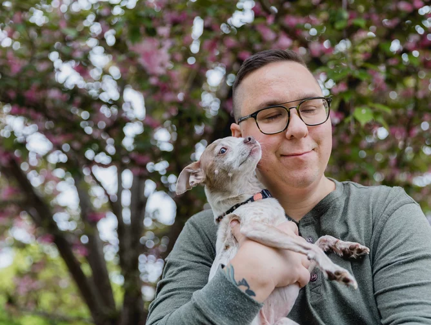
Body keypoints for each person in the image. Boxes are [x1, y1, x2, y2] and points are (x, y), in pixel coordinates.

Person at [146, 49, 431, 324]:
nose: (298, 128)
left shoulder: (385, 214)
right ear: (238, 136)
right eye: (271, 115)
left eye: (310, 108)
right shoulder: (207, 233)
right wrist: (248, 277)